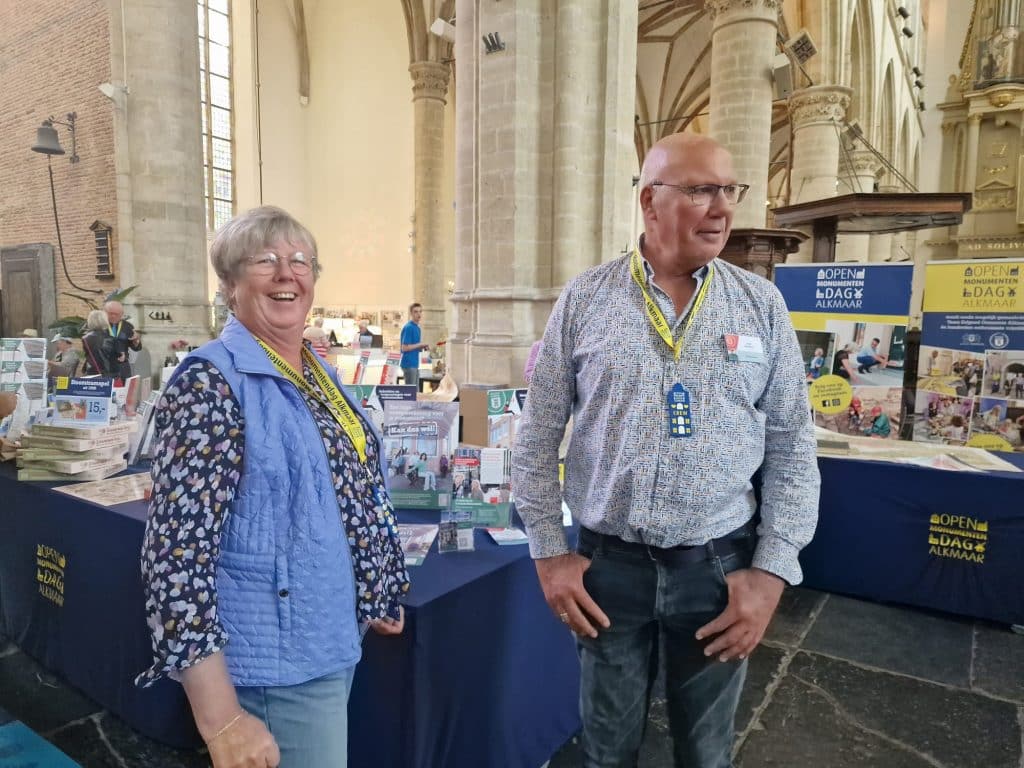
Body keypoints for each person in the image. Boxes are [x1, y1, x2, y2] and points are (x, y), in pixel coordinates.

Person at [511, 133, 820, 768]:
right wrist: (548, 553)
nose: (722, 207)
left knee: (706, 755)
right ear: (651, 202)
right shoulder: (587, 299)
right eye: (701, 190)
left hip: (718, 569)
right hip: (608, 572)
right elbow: (536, 438)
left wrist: (771, 571)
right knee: (606, 751)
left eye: (729, 190)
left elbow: (793, 444)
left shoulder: (759, 304)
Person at [137, 206, 409, 768]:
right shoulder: (210, 383)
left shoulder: (314, 370)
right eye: (265, 261)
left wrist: (372, 581)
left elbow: (343, 489)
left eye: (300, 261)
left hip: (326, 633)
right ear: (230, 286)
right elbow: (174, 557)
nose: (287, 274)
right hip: (275, 663)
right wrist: (223, 719)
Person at [104, 300, 142, 381]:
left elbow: (136, 348)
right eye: (110, 313)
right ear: (105, 312)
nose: (113, 316)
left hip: (122, 367)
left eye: (116, 314)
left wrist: (136, 341)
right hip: (105, 366)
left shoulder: (127, 326)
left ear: (121, 314)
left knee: (124, 391)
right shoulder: (99, 325)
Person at [80, 309, 118, 378]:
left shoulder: (85, 338)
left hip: (92, 372)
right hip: (110, 373)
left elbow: (88, 355)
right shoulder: (111, 338)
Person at [400, 303, 429, 388]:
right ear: (411, 313)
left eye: (420, 311)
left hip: (415, 363)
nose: (419, 314)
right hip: (409, 363)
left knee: (416, 392)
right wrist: (420, 344)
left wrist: (422, 346)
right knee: (411, 392)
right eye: (416, 312)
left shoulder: (417, 328)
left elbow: (413, 346)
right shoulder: (409, 327)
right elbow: (404, 348)